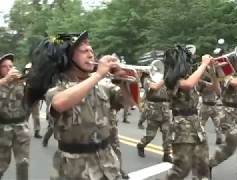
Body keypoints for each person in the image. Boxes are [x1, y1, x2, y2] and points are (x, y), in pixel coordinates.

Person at [26, 31, 134, 179]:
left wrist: (123, 82)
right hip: (75, 169)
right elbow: (60, 103)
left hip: (108, 165)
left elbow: (130, 102)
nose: (91, 54)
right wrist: (97, 75)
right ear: (69, 57)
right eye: (84, 51)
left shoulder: (102, 85)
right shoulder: (57, 88)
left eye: (91, 50)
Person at [164, 45, 213, 180]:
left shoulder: (192, 77)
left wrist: (213, 71)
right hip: (181, 127)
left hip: (196, 125)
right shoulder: (172, 80)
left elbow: (216, 88)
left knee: (203, 163)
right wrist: (203, 65)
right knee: (182, 168)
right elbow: (187, 85)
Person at [0, 53, 31, 180]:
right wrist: (6, 80)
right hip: (2, 129)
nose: (9, 69)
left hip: (21, 127)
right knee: (1, 165)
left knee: (23, 163)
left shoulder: (21, 82)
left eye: (11, 66)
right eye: (4, 66)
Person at [136, 74, 172, 162]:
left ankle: (167, 154)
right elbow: (155, 87)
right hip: (153, 111)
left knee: (167, 134)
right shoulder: (147, 79)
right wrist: (165, 79)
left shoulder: (167, 80)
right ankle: (141, 145)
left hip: (165, 110)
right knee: (150, 135)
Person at [197, 65, 223, 144]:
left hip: (213, 105)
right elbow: (213, 86)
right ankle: (203, 138)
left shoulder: (211, 82)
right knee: (201, 124)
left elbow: (219, 91)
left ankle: (219, 138)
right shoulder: (202, 84)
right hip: (205, 105)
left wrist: (213, 69)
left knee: (217, 123)